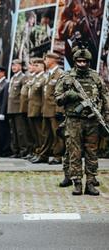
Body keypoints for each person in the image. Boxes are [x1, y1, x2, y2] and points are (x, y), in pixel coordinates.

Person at [55, 48, 109, 195]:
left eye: (85, 61)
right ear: (75, 62)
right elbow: (57, 98)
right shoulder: (66, 77)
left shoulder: (96, 77)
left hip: (92, 121)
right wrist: (68, 95)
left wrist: (106, 117)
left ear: (89, 62)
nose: (82, 64)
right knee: (75, 152)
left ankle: (90, 182)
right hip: (74, 121)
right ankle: (77, 182)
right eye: (79, 61)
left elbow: (105, 99)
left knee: (92, 152)